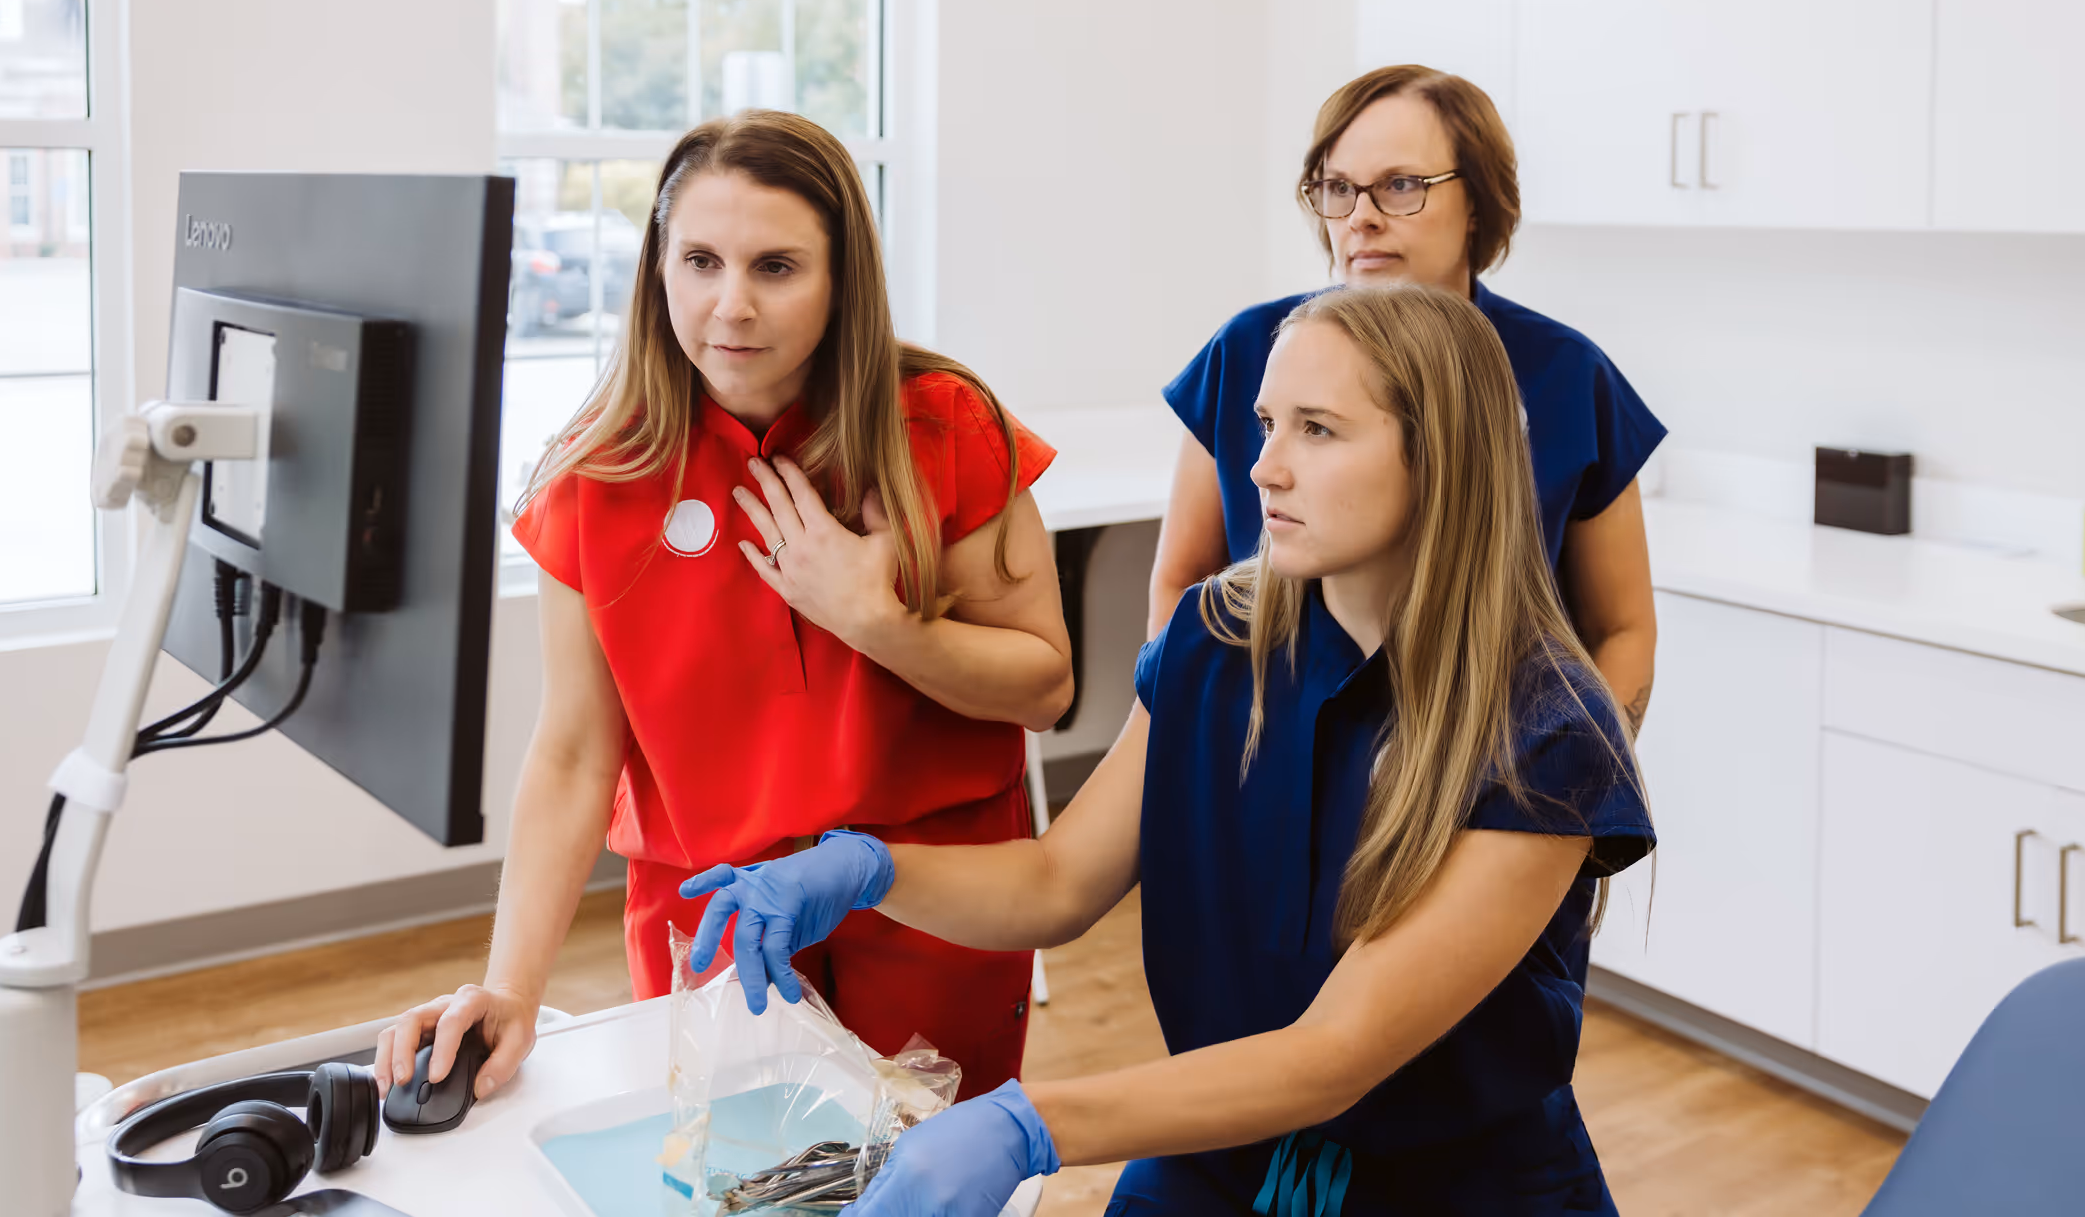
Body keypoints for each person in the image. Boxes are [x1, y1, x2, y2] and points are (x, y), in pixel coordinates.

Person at [688, 284, 1654, 1215]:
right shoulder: (1218, 640)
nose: (1264, 468)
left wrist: (1029, 1126)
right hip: (1222, 1152)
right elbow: (1059, 884)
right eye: (1266, 424)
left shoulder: (1546, 732)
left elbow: (1335, 1056)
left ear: (1441, 458)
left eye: (1317, 430)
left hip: (1453, 1188)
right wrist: (867, 869)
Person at [372, 111, 1074, 1107]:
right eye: (700, 261)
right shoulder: (595, 473)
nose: (730, 306)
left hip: (929, 895)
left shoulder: (946, 424)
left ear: (842, 280)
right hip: (715, 912)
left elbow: (1044, 688)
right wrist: (512, 988)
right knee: (737, 1170)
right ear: (658, 269)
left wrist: (878, 622)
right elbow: (573, 753)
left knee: (935, 1160)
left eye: (776, 267)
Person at [1150, 64, 1665, 732]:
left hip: (1488, 756)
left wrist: (1584, 777)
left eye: (1401, 186)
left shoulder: (1568, 376)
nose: (1361, 218)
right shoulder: (1251, 350)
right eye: (1339, 188)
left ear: (1477, 202)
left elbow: (1622, 628)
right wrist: (1186, 747)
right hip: (1270, 749)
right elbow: (1183, 586)